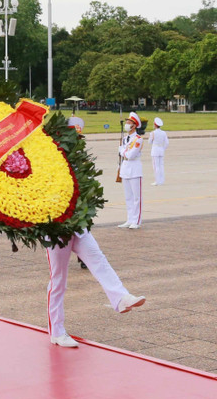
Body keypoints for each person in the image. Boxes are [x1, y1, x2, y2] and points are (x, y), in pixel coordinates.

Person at [43, 117, 146, 348]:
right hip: (56, 229)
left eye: (79, 137)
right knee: (58, 281)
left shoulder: (78, 162)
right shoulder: (48, 162)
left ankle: (120, 297)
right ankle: (56, 331)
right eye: (74, 137)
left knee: (98, 259)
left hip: (77, 225)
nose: (78, 141)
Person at [118, 112, 143, 229]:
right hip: (125, 169)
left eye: (129, 122)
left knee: (136, 197)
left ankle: (136, 221)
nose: (127, 124)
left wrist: (122, 151)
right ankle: (129, 219)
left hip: (135, 169)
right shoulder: (124, 139)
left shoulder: (138, 140)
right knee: (128, 197)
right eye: (127, 122)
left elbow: (131, 155)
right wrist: (123, 152)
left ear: (134, 125)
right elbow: (124, 154)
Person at [149, 117, 169, 186]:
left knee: (156, 166)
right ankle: (161, 180)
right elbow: (167, 143)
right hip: (161, 149)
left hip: (155, 150)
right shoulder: (163, 133)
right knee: (161, 166)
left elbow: (149, 142)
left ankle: (157, 181)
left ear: (155, 125)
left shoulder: (153, 133)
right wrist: (163, 148)